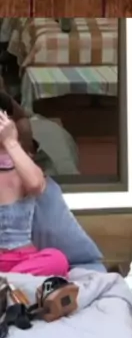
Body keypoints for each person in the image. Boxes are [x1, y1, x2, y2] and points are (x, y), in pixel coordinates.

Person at [0, 102, 69, 276]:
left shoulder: (23, 166)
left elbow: (36, 185)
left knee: (57, 259)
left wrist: (10, 142)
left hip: (23, 259)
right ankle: (11, 284)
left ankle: (8, 282)